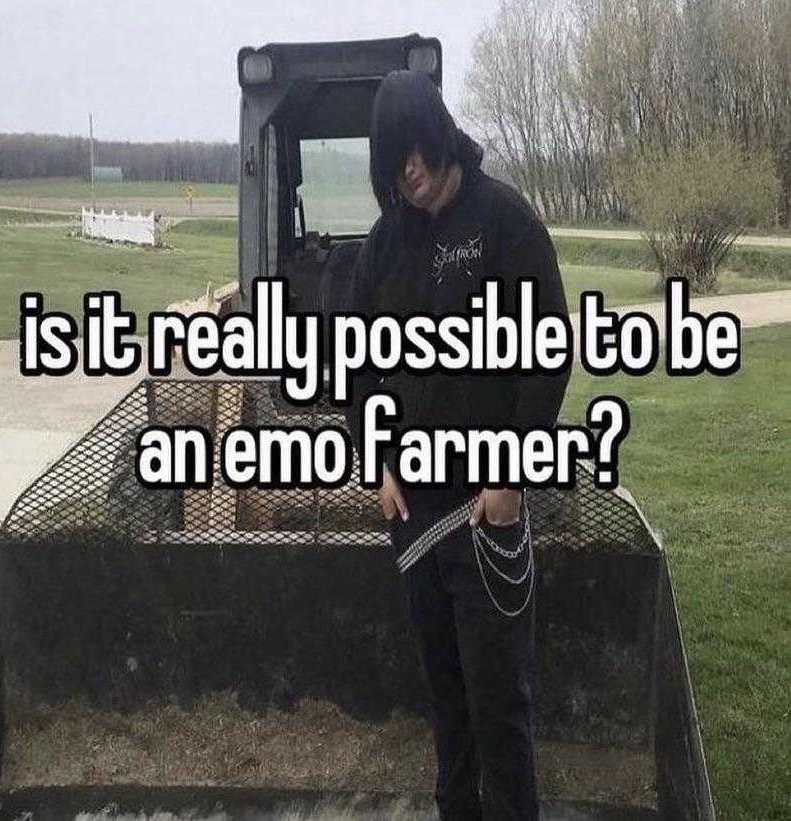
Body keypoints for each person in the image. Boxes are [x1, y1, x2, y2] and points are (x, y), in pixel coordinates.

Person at [344, 70, 571, 821]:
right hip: (414, 512)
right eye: (391, 158)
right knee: (446, 704)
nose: (407, 167)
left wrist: (510, 478)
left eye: (413, 147)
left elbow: (547, 352)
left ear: (438, 135)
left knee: (499, 704)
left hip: (487, 513)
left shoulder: (504, 219)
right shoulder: (385, 243)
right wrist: (373, 455)